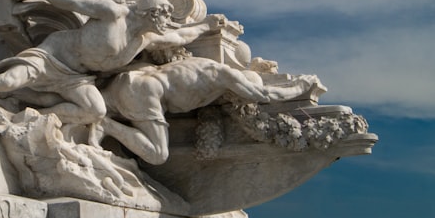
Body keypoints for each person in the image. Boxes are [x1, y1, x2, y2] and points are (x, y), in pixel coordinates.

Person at [0, 0, 228, 135]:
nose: (165, 23)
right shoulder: (113, 13)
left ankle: (37, 115)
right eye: (162, 16)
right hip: (53, 56)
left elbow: (180, 37)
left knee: (94, 110)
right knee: (6, 81)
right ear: (148, 13)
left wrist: (206, 26)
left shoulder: (145, 38)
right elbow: (71, 0)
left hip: (77, 78)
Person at [99, 51, 323, 165]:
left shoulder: (203, 62)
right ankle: (105, 124)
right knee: (158, 154)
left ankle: (98, 117)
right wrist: (300, 86)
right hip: (143, 94)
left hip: (127, 78)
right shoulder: (226, 77)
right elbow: (265, 94)